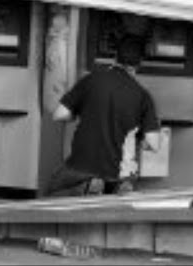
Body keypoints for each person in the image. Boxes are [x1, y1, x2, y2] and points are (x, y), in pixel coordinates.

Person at [47, 35, 161, 197]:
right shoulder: (143, 96)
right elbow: (154, 144)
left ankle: (85, 188)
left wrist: (75, 115)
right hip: (119, 172)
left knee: (53, 191)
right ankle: (116, 188)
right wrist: (142, 141)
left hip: (80, 166)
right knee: (121, 180)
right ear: (139, 64)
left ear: (115, 58)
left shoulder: (91, 80)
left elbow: (59, 114)